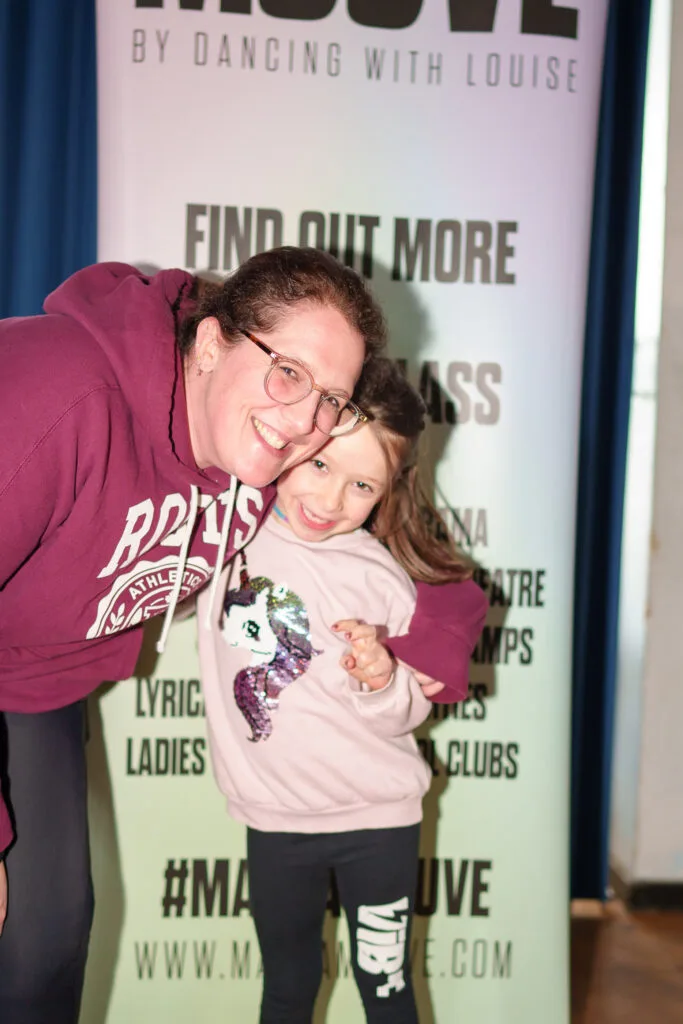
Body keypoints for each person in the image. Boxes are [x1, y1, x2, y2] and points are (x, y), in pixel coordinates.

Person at [0, 247, 485, 1023]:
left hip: (35, 682)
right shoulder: (51, 388)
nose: (301, 421)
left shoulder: (262, 474)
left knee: (47, 944)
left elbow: (431, 570)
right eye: (287, 371)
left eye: (329, 397)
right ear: (212, 341)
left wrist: (411, 666)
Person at [197, 358, 487, 1024]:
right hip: (275, 823)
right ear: (294, 442)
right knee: (286, 987)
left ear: (388, 491)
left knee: (385, 988)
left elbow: (403, 715)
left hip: (378, 822)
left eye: (361, 485)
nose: (329, 501)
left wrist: (383, 680)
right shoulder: (225, 535)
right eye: (321, 466)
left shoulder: (384, 579)